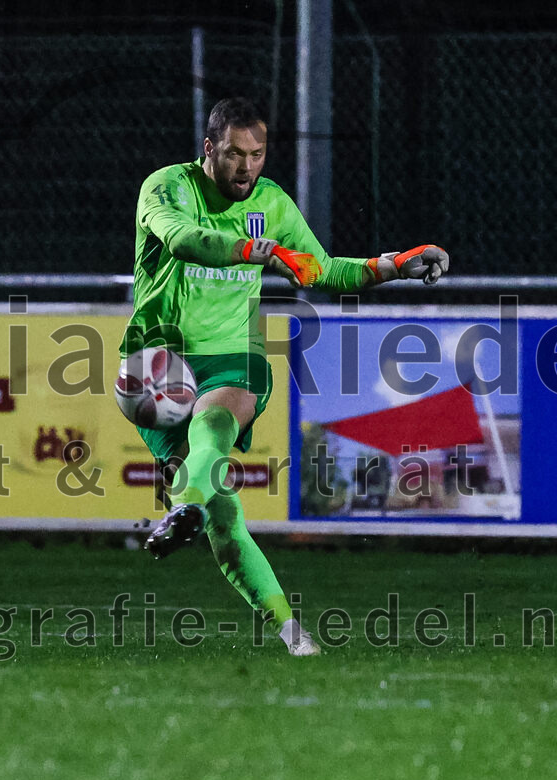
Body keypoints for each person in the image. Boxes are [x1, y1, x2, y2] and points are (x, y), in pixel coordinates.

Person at [119, 97, 448, 657]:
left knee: (215, 423)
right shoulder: (167, 187)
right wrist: (258, 251)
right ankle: (244, 569)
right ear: (208, 150)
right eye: (234, 154)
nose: (247, 167)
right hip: (157, 358)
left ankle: (294, 637)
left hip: (233, 353)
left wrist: (395, 264)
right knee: (226, 520)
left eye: (257, 154)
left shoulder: (271, 203)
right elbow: (183, 239)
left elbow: (322, 269)